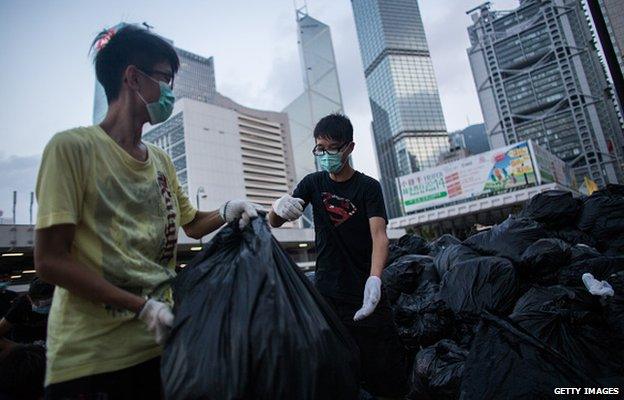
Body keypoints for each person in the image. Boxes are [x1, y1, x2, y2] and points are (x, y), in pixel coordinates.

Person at [34, 24, 261, 399]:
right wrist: (142, 308)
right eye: (165, 80)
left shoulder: (160, 161)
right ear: (132, 78)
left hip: (159, 348)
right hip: (92, 361)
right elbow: (50, 261)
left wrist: (226, 209)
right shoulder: (71, 149)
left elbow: (192, 225)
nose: (171, 92)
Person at [268, 113, 408, 397]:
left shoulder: (368, 188)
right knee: (339, 370)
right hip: (328, 293)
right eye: (320, 148)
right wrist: (277, 207)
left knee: (382, 369)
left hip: (365, 293)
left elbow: (379, 235)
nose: (325, 154)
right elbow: (275, 222)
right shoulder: (312, 184)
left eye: (332, 148)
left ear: (349, 148)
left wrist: (375, 280)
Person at [0, 278, 53, 350]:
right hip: (23, 346)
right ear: (29, 298)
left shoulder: (61, 306)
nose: (46, 307)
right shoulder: (21, 305)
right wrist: (21, 348)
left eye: (50, 304)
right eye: (42, 304)